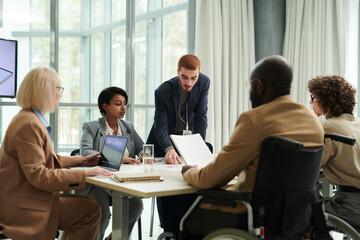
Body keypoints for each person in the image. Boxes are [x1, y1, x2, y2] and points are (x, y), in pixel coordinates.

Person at [181, 55, 324, 231]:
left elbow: (210, 179)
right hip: (295, 218)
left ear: (259, 86)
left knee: (182, 215)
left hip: (250, 215)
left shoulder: (255, 120)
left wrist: (189, 172)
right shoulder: (313, 122)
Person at [0, 67, 111, 240]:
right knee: (90, 210)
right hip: (25, 206)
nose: (60, 94)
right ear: (44, 91)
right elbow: (40, 176)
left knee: (89, 207)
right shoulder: (29, 124)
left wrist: (82, 161)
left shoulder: (28, 119)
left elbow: (47, 160)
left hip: (26, 197)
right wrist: (85, 173)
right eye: (58, 89)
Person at [146, 54, 210, 234]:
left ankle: (187, 219)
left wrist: (199, 145)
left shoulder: (204, 82)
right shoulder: (163, 91)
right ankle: (168, 227)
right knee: (165, 179)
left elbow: (201, 116)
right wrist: (168, 148)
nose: (189, 83)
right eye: (184, 77)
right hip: (162, 139)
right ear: (177, 72)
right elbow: (160, 126)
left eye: (193, 78)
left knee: (188, 174)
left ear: (199, 74)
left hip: (186, 138)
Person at [78, 86, 144, 240]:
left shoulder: (128, 127)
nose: (123, 108)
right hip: (98, 183)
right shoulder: (92, 127)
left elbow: (142, 148)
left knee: (136, 205)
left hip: (121, 182)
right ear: (105, 106)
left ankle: (114, 238)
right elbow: (85, 152)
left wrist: (143, 156)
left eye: (125, 103)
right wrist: (117, 158)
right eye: (118, 103)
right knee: (103, 214)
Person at [308, 75, 360, 231]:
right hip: (355, 201)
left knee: (297, 212)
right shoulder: (356, 123)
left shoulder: (328, 128)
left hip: (350, 205)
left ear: (325, 102)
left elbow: (308, 166)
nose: (311, 102)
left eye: (314, 98)